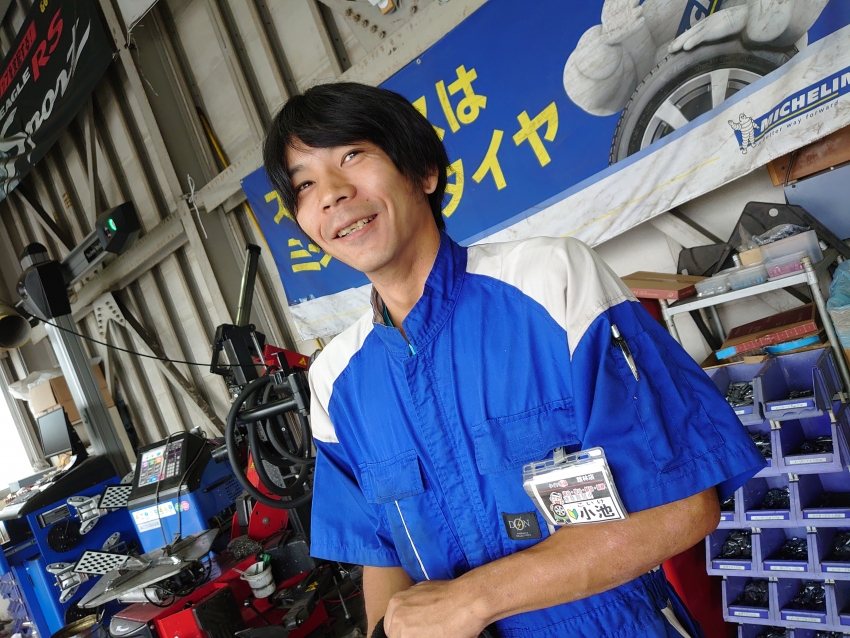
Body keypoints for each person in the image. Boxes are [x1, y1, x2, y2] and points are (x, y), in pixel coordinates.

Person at [263, 82, 765, 638]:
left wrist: (473, 600)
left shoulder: (553, 283)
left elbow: (685, 506)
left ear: (423, 172)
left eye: (352, 155)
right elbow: (382, 556)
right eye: (304, 184)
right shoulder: (334, 381)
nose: (331, 194)